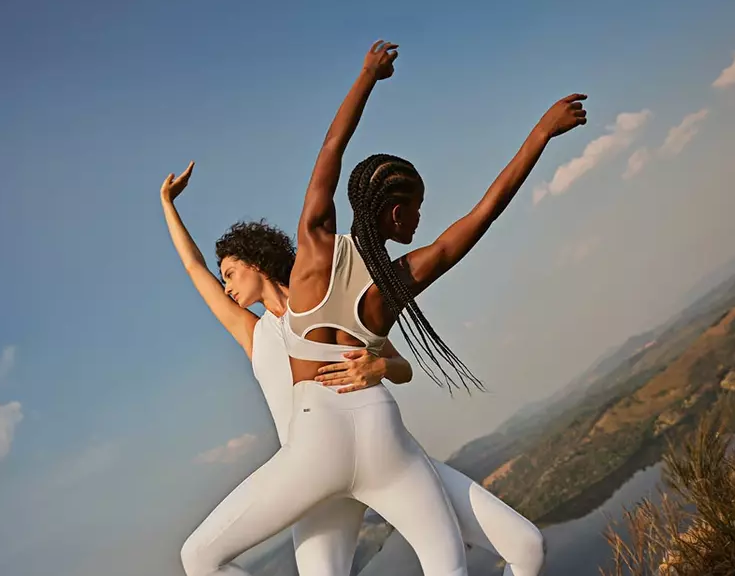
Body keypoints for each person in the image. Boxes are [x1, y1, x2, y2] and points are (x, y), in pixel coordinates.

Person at [180, 39, 586, 576]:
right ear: (395, 212)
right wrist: (539, 135)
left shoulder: (313, 250)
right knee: (452, 570)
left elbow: (332, 148)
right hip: (383, 440)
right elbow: (482, 215)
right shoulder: (396, 282)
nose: (419, 220)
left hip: (315, 445)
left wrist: (368, 76)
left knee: (199, 558)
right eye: (415, 209)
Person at [160, 161, 545, 575]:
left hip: (380, 453)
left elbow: (401, 367)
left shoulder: (323, 299)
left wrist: (379, 366)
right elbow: (193, 268)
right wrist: (168, 204)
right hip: (310, 480)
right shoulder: (254, 332)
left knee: (526, 547)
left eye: (231, 273)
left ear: (256, 261)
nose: (227, 286)